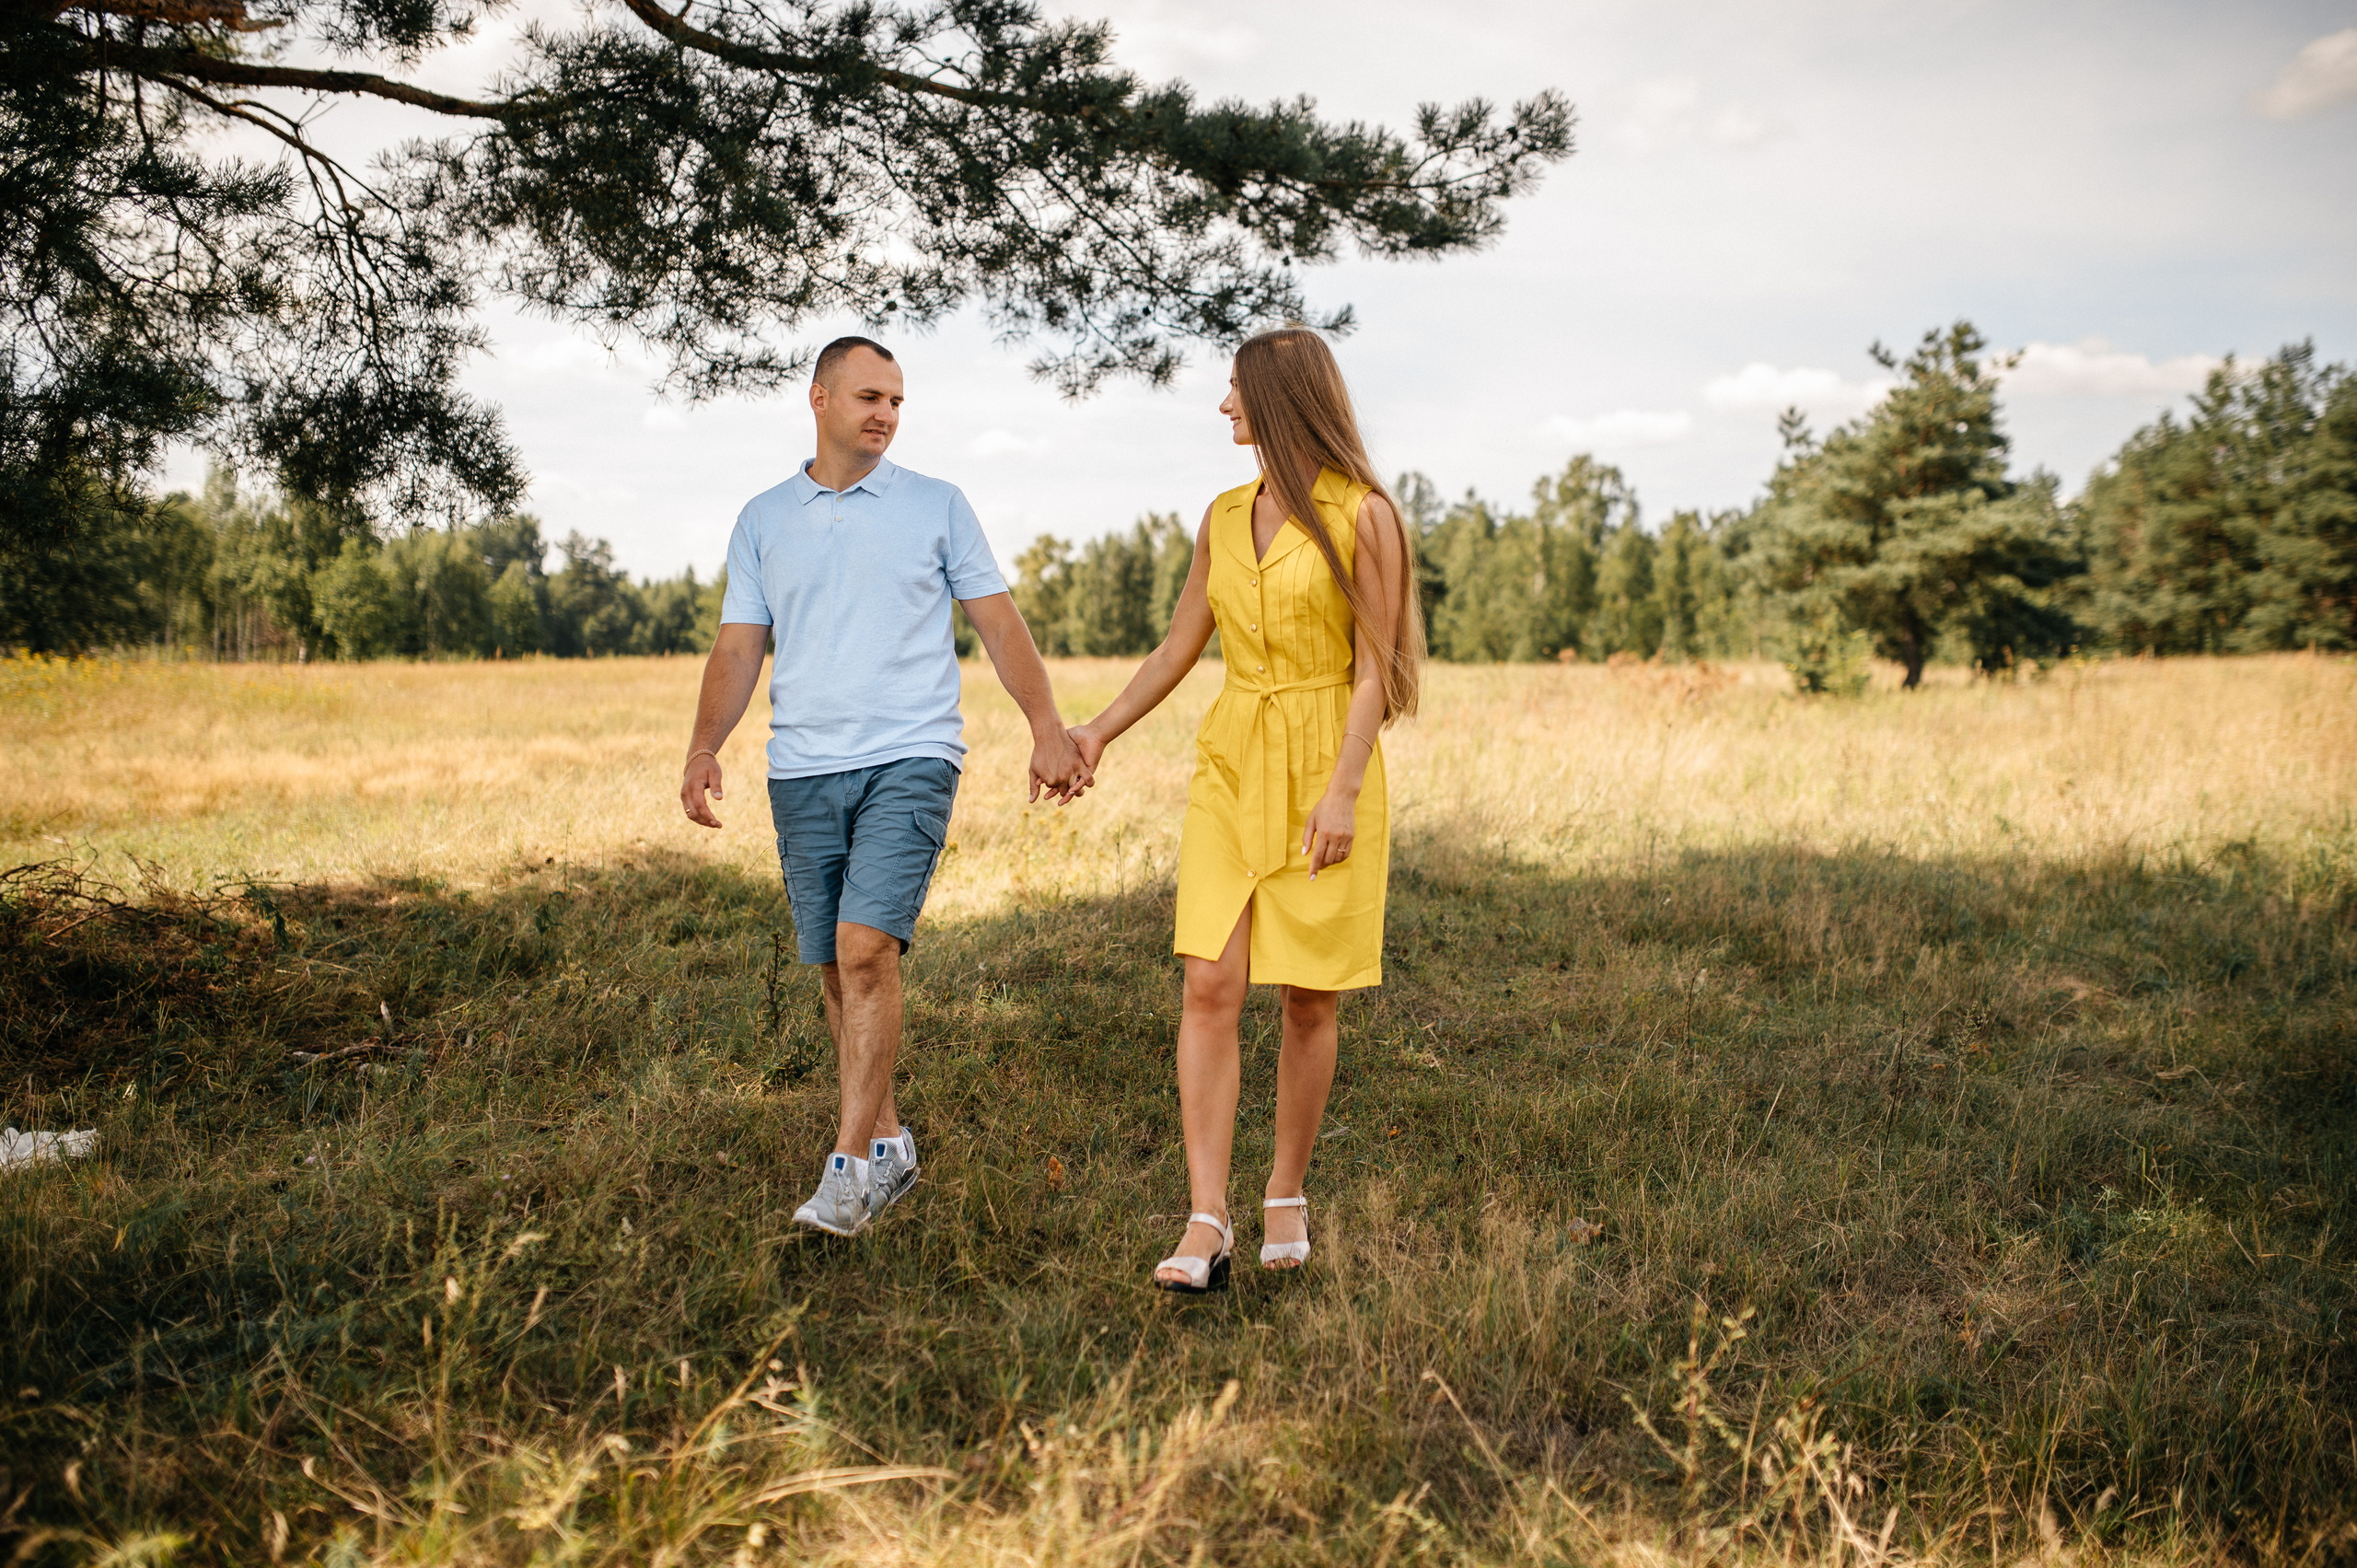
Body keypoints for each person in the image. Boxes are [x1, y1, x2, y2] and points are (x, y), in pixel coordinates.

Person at [680, 335, 1092, 1237]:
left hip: (912, 755)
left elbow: (998, 620)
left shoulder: (937, 505)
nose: (886, 414)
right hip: (802, 768)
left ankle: (849, 1167)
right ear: (819, 397)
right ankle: (893, 1141)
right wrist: (704, 745)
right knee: (835, 962)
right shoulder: (762, 518)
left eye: (898, 401)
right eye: (870, 396)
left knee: (868, 948)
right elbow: (741, 644)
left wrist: (1045, 726)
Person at [1070, 327, 1425, 1291]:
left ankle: (1286, 1191)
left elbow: (1375, 668)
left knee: (1309, 992)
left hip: (1326, 764)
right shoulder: (1223, 517)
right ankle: (1205, 1217)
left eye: (1234, 391)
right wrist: (1098, 730)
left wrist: (1344, 786)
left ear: (1277, 399)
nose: (1223, 407)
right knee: (1207, 984)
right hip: (1229, 765)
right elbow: (1177, 647)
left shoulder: (1366, 516)